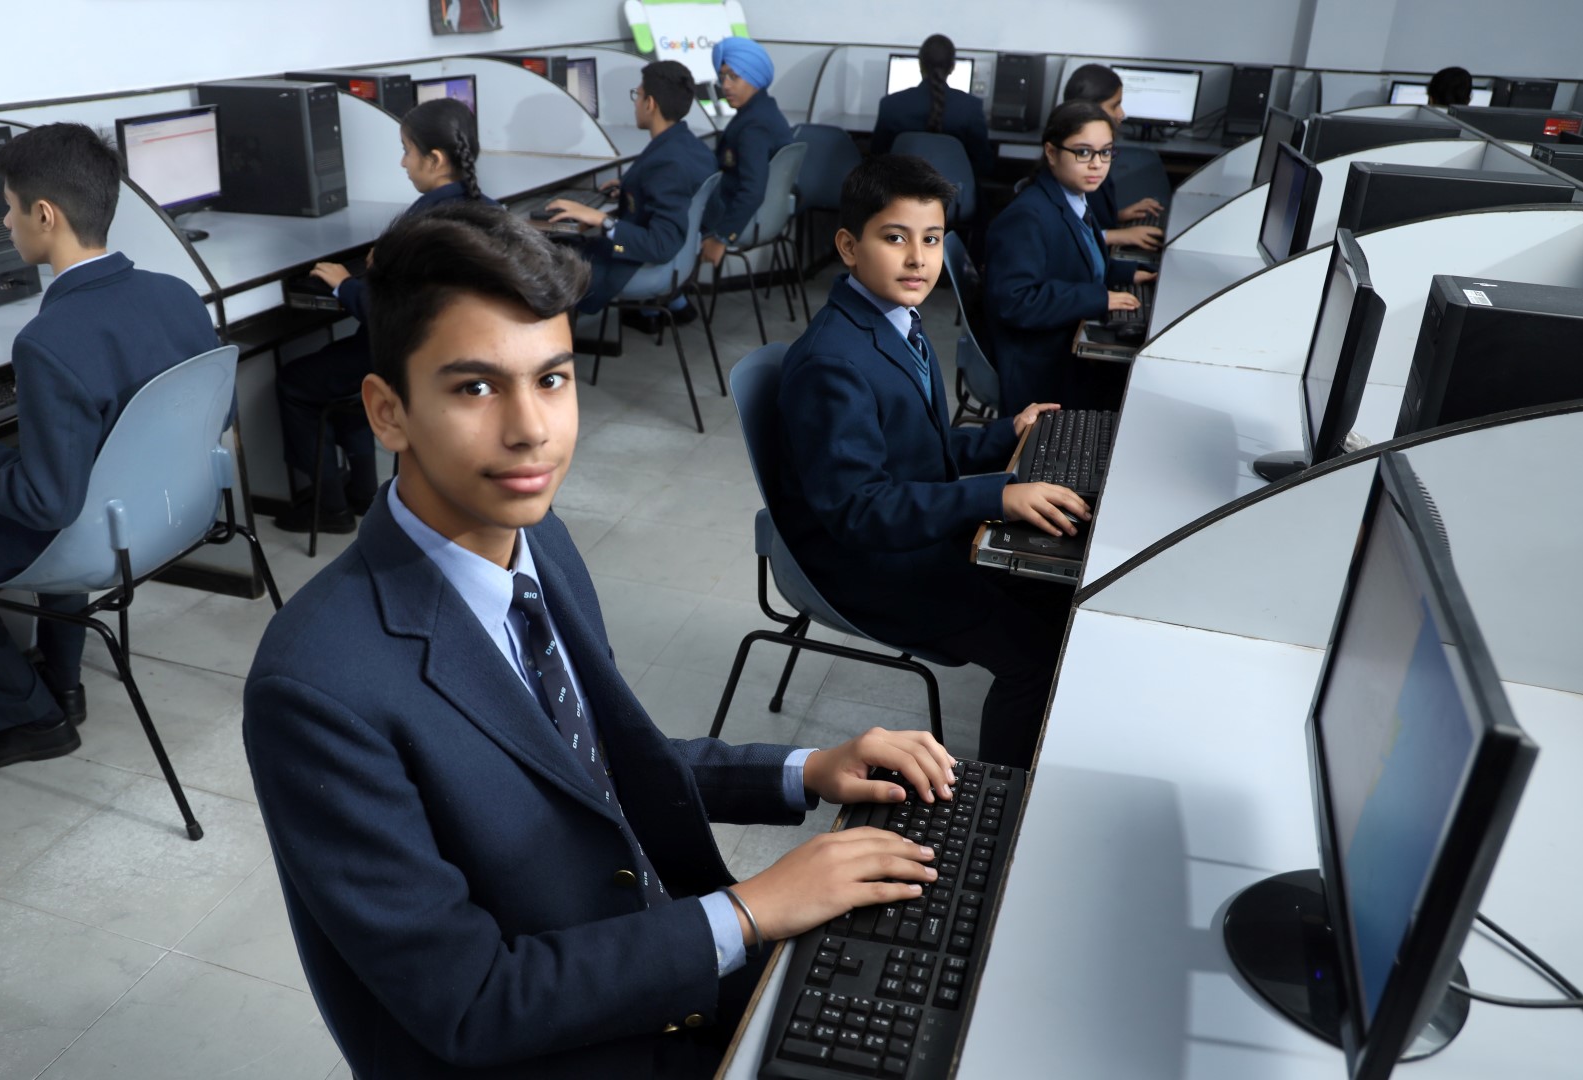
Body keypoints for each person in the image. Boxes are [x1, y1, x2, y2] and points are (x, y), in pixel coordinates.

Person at [242, 201, 960, 1079]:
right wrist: (746, 913)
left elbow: (595, 768)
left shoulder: (539, 540)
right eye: (475, 387)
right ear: (387, 413)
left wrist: (803, 770)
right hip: (547, 1041)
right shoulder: (317, 684)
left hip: (643, 963)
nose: (531, 430)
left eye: (552, 379)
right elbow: (469, 1002)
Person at [0, 123, 219, 770]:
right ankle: (62, 684)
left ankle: (33, 718)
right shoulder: (177, 295)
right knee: (75, 482)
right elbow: (211, 409)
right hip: (167, 515)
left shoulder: (49, 340)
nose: (4, 220)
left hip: (95, 534)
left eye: (8, 207)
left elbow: (45, 503)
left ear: (44, 214)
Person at [772, 153, 1085, 769]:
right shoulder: (833, 361)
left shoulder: (894, 324)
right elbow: (861, 510)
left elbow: (915, 450)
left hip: (911, 536)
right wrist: (994, 494)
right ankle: (1001, 796)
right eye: (895, 238)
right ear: (848, 246)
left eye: (933, 239)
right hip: (872, 565)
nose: (919, 259)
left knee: (1062, 591)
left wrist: (1006, 436)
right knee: (1038, 656)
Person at [271, 98, 496, 534]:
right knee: (353, 373)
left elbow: (390, 311)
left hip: (412, 355)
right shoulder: (486, 207)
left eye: (408, 151)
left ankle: (329, 506)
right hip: (456, 352)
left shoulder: (424, 224)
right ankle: (361, 492)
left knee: (296, 382)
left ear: (434, 159)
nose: (402, 162)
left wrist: (344, 284)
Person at [983, 100, 1157, 415]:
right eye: (1083, 152)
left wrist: (1129, 274)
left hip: (1064, 343)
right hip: (1042, 366)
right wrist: (1099, 298)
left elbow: (1079, 259)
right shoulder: (1028, 217)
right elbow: (1017, 300)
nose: (1097, 164)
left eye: (1105, 152)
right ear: (1051, 153)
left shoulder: (1072, 198)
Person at [546, 60, 715, 334]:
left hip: (645, 263)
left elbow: (660, 244)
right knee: (569, 243)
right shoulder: (690, 147)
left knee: (554, 257)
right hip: (678, 263)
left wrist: (601, 219)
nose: (635, 103)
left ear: (650, 104)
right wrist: (628, 188)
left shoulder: (667, 164)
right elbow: (669, 191)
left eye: (637, 95)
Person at [700, 36, 793, 267]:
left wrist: (722, 238)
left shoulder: (754, 127)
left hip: (735, 217)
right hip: (764, 216)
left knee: (664, 216)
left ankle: (667, 298)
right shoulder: (763, 110)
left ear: (754, 78)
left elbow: (752, 191)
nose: (726, 86)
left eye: (734, 77)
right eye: (722, 77)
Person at [1060, 63, 1166, 253]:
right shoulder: (1070, 166)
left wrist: (1118, 216)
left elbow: (1084, 214)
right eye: (1114, 105)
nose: (1122, 114)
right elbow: (1062, 234)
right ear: (1088, 109)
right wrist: (1116, 235)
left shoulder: (1095, 154)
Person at [869, 33, 997, 179]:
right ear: (952, 67)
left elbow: (876, 161)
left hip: (901, 197)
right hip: (953, 197)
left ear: (920, 64)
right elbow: (984, 166)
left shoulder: (890, 105)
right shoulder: (970, 108)